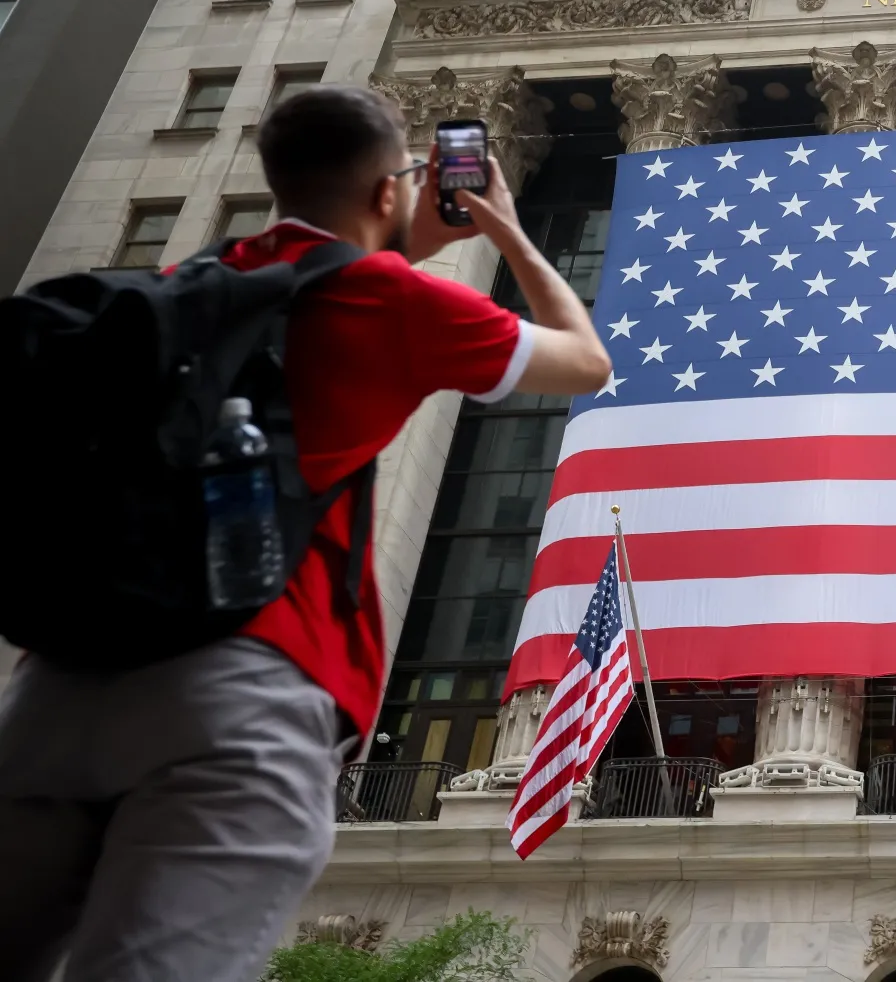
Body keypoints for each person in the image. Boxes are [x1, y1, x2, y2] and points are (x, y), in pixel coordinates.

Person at [0, 85, 612, 981]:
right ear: (387, 193)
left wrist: (397, 228)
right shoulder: (389, 301)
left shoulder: (188, 288)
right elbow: (584, 360)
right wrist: (507, 232)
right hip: (245, 698)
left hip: (61, 690)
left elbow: (311, 262)